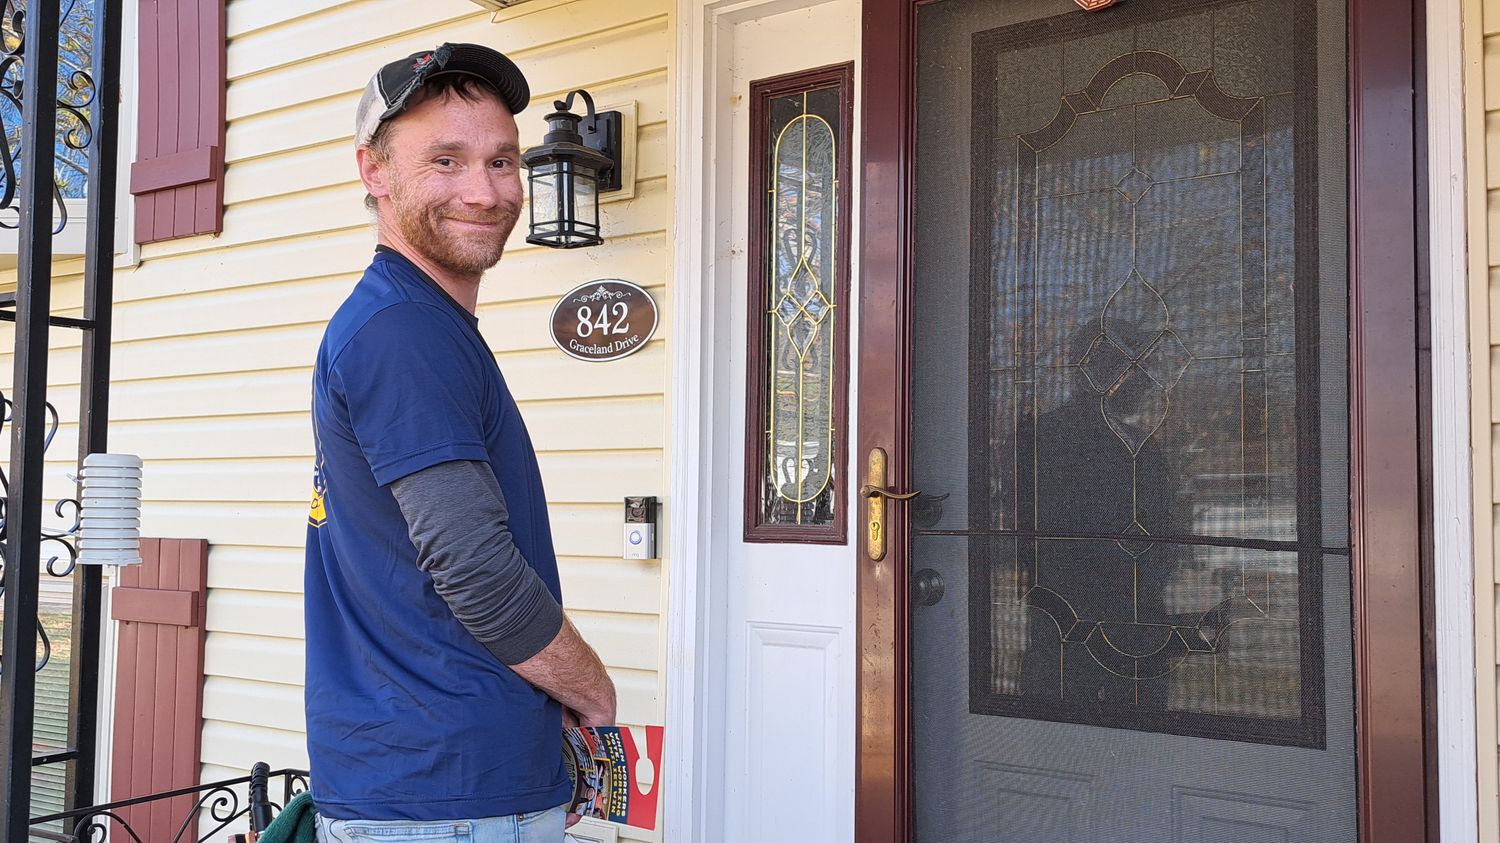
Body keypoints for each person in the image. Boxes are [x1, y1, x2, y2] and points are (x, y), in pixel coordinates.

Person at [304, 43, 617, 843]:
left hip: (425, 785)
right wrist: (592, 690)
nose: (485, 191)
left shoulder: (410, 323)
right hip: (451, 797)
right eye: (445, 160)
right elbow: (473, 564)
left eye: (503, 160)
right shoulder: (405, 330)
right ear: (373, 171)